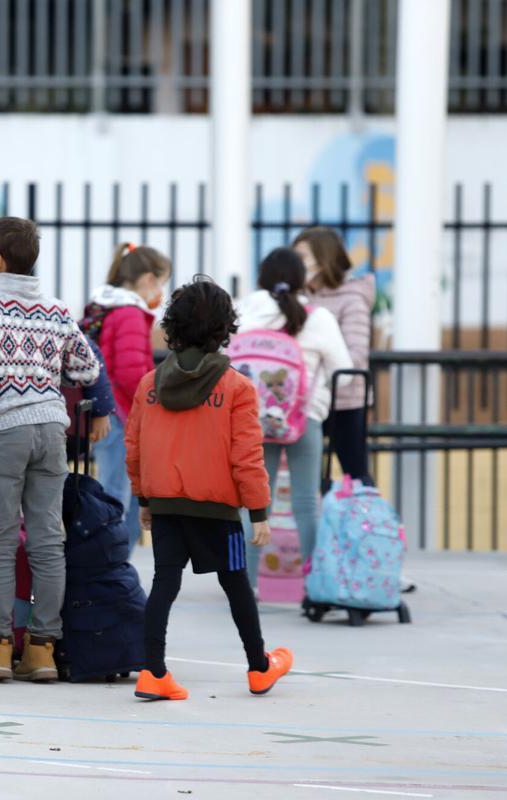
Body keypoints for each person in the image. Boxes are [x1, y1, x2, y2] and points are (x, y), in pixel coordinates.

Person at [125, 276, 293, 700]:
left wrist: (144, 498)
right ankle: (258, 667)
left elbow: (136, 448)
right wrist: (258, 512)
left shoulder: (150, 384)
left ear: (173, 327)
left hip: (164, 504)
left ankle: (153, 671)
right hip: (219, 512)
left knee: (164, 582)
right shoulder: (236, 387)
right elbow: (246, 456)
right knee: (236, 583)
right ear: (224, 329)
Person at [0, 216, 100, 683]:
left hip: (2, 432)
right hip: (51, 430)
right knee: (47, 541)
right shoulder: (55, 308)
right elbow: (87, 368)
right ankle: (42, 650)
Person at [237, 248, 353, 590]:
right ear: (303, 279)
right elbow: (344, 375)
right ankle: (315, 585)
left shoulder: (243, 313)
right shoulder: (317, 317)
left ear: (261, 277)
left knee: (256, 504)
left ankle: (246, 587)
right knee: (305, 502)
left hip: (254, 420)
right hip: (303, 418)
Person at [81, 243, 173, 556]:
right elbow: (133, 373)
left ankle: (114, 561)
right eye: (161, 283)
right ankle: (109, 563)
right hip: (123, 415)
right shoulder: (130, 314)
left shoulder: (103, 306)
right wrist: (155, 405)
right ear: (148, 279)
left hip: (107, 411)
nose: (160, 292)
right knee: (117, 495)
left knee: (118, 491)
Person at [293, 227, 375, 482]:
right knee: (307, 478)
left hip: (345, 402)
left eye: (303, 257)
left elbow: (356, 355)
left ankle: (366, 519)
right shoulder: (298, 296)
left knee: (355, 473)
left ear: (323, 259)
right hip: (305, 401)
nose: (297, 264)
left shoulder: (352, 297)